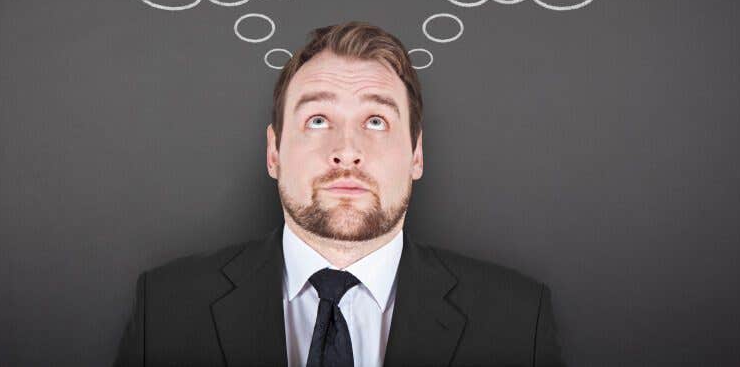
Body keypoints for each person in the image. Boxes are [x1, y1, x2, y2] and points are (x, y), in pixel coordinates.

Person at [112, 21, 566, 366]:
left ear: (416, 154)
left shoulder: (518, 322)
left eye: (375, 121)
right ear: (274, 152)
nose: (347, 151)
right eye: (317, 120)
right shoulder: (167, 310)